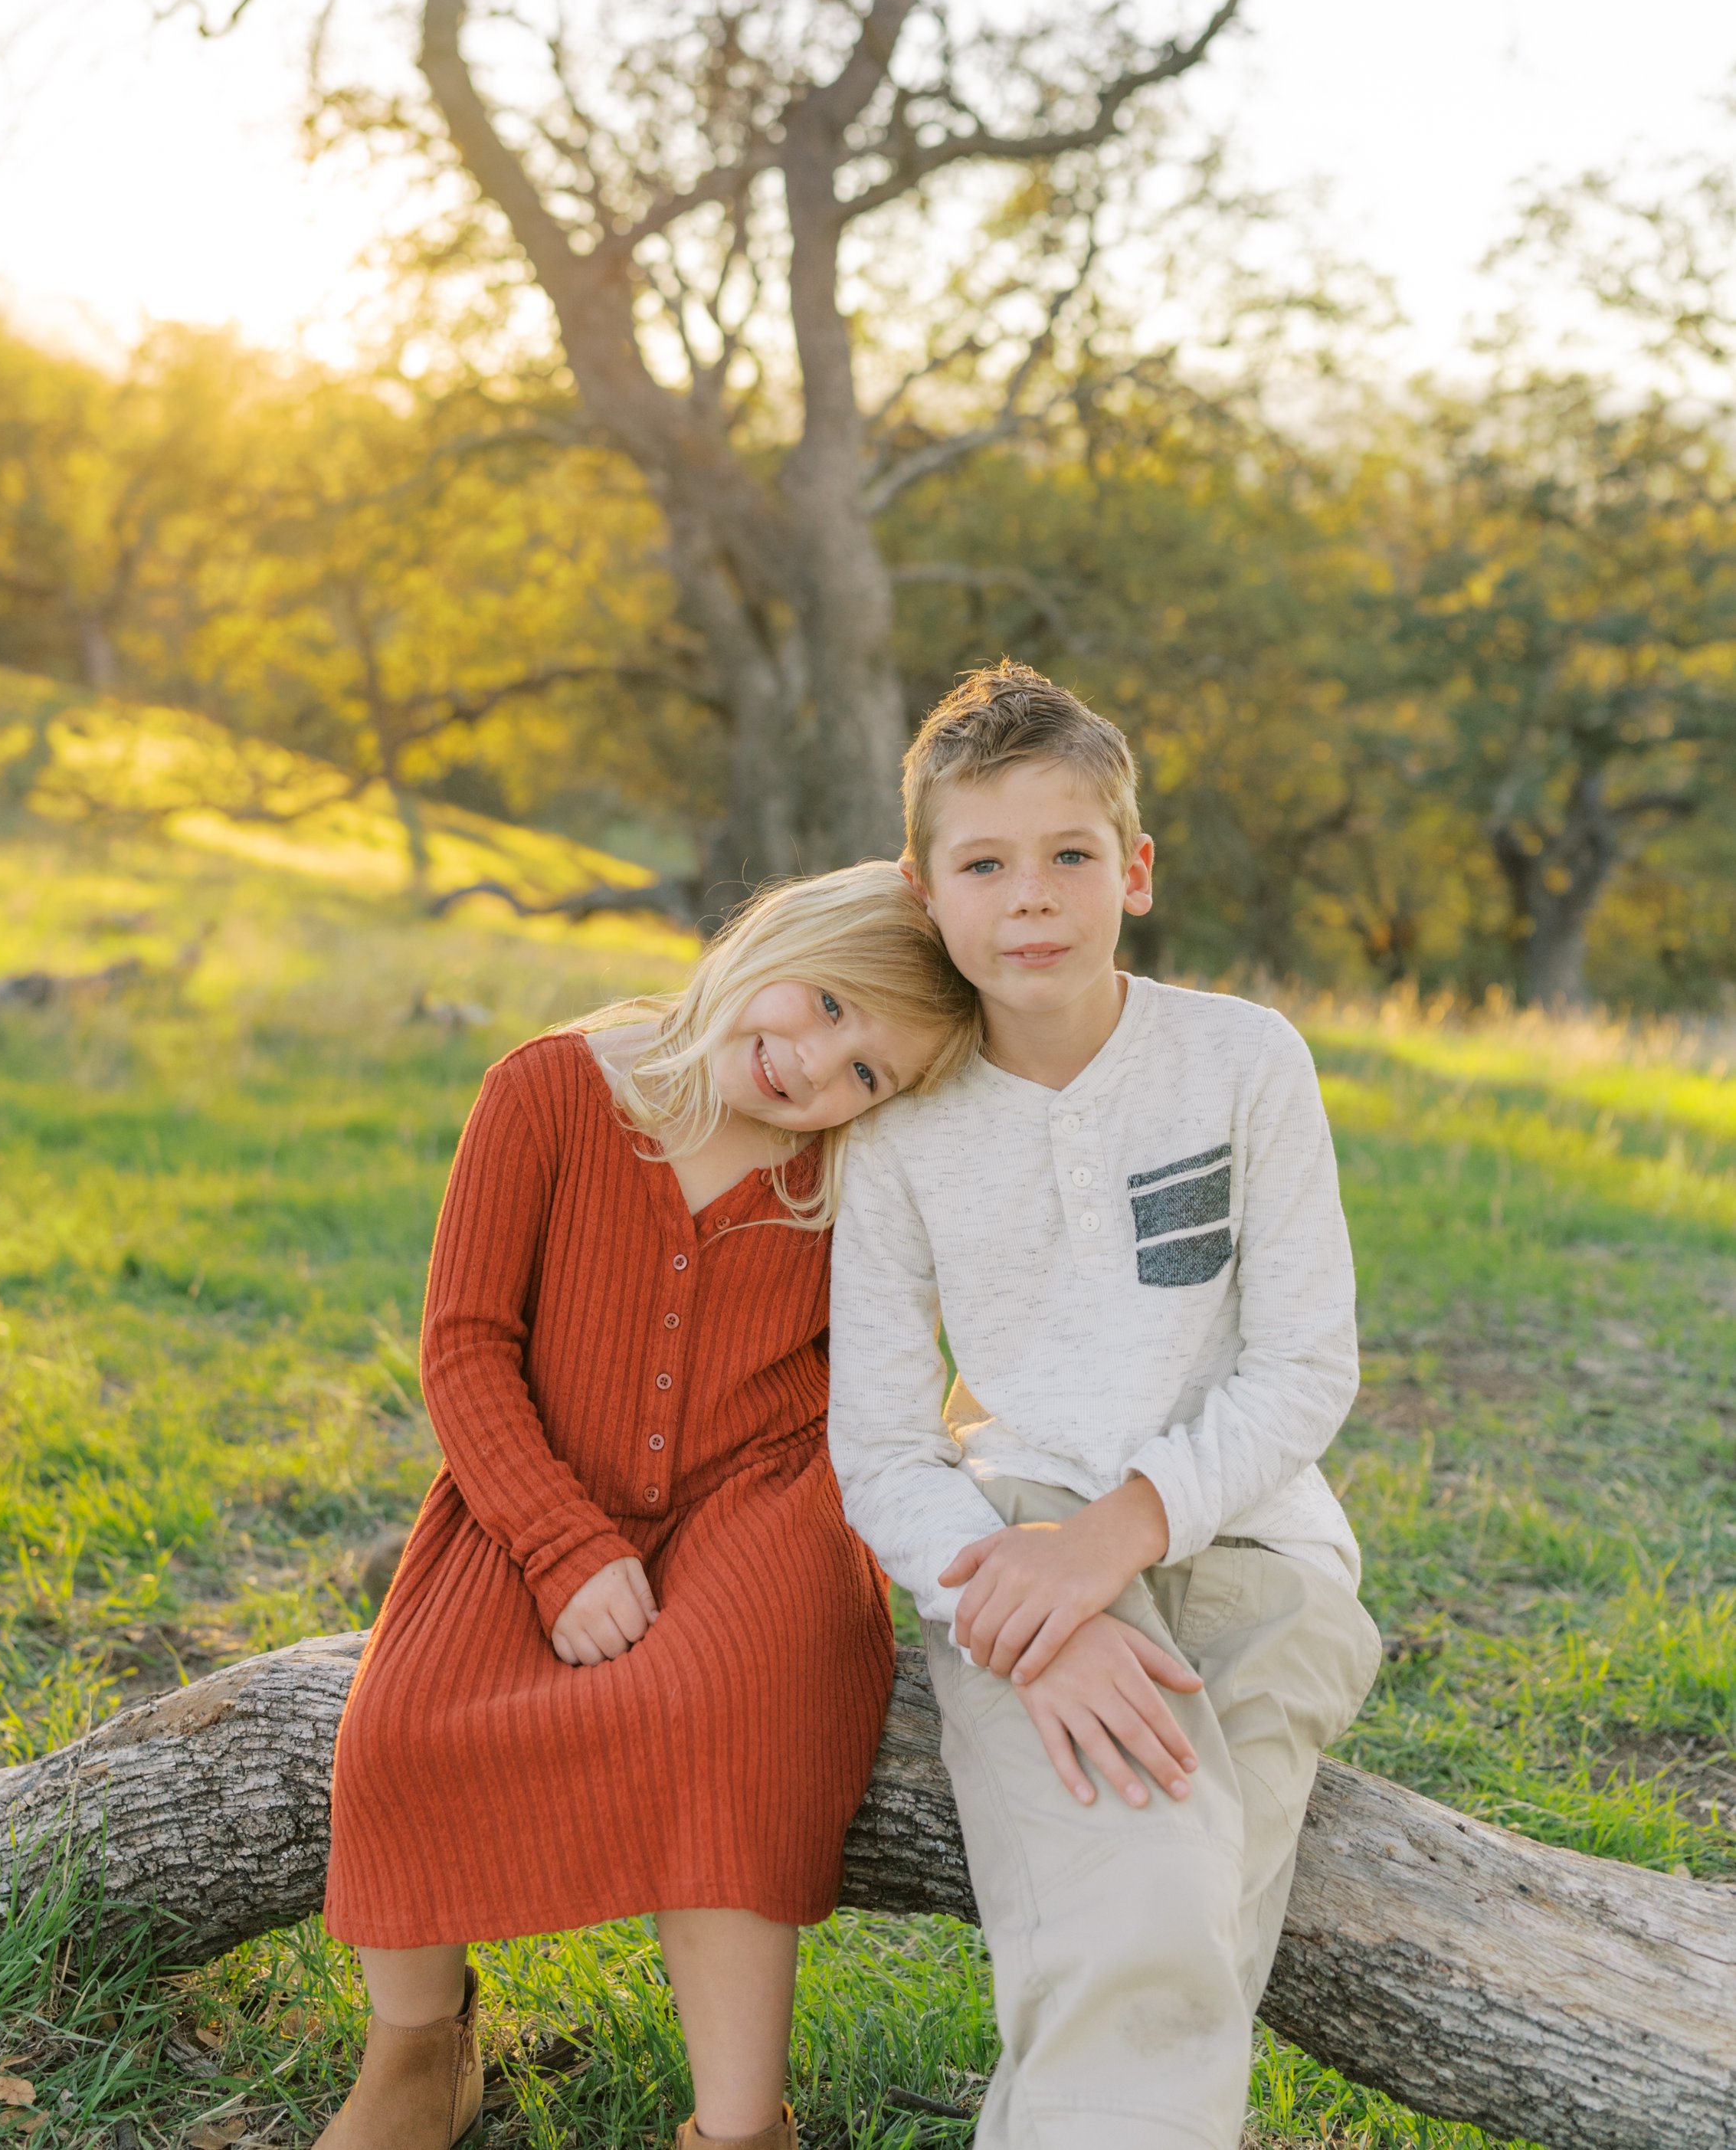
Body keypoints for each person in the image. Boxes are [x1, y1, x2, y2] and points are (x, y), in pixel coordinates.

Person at [318, 860, 980, 2150]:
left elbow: (897, 1379)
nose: (816, 1065)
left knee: (719, 1710)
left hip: (768, 1498)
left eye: (868, 1073)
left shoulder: (851, 1173)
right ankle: (418, 2046)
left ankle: (740, 2123)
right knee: (399, 1727)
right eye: (827, 1002)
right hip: (542, 1485)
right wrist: (561, 1546)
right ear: (769, 932)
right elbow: (463, 1345)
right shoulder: (551, 1088)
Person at [828, 664, 1382, 2150]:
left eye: (1069, 854)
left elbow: (1302, 1370)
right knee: (1146, 1908)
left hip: (1264, 1556)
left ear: (1131, 872)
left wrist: (1125, 1537)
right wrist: (1045, 1602)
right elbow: (879, 1445)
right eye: (984, 864)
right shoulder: (895, 1128)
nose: (1030, 900)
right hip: (1011, 1539)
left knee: (1179, 1928)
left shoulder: (1239, 1061)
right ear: (923, 891)